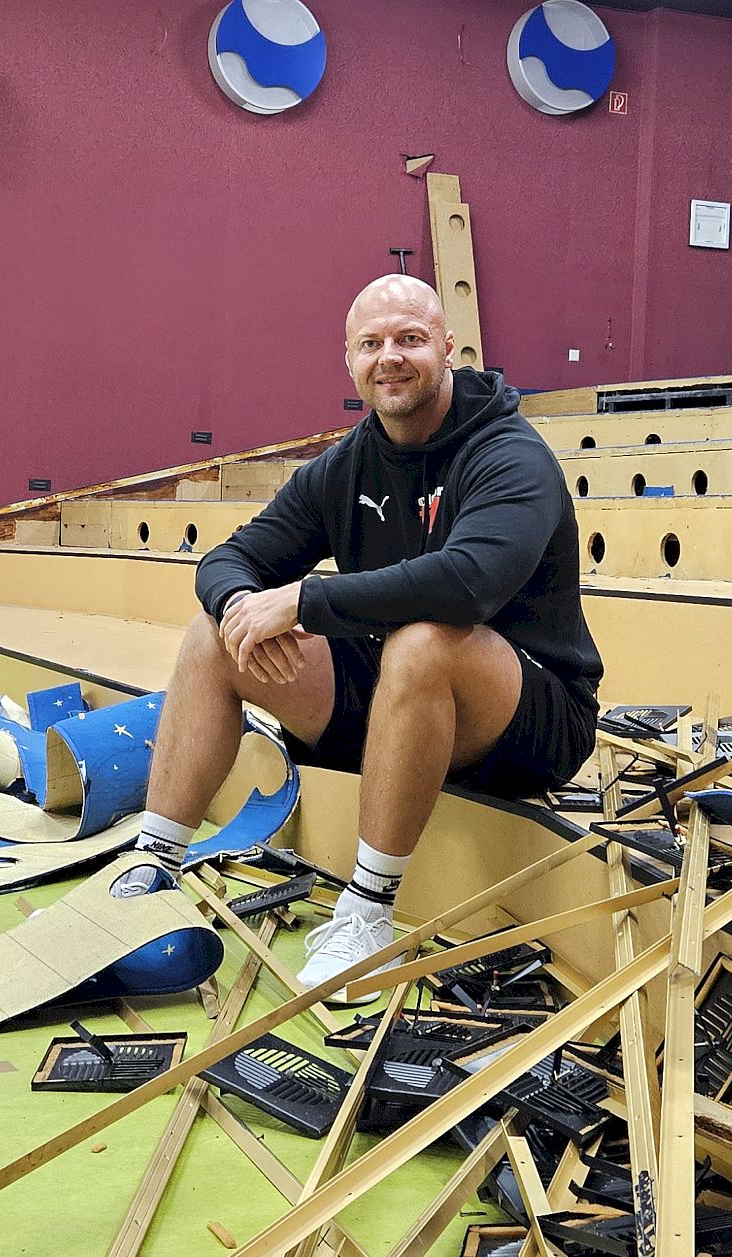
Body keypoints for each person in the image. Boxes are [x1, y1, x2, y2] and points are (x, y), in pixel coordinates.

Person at [134, 273, 602, 1001]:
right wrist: (242, 605)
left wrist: (305, 601)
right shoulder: (347, 463)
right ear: (349, 360)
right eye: (371, 343)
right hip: (395, 695)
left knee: (424, 640)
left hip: (527, 717)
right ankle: (155, 862)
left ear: (449, 348)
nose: (391, 357)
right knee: (214, 635)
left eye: (410, 339)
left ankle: (367, 915)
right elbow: (229, 560)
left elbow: (467, 585)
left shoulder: (510, 454)